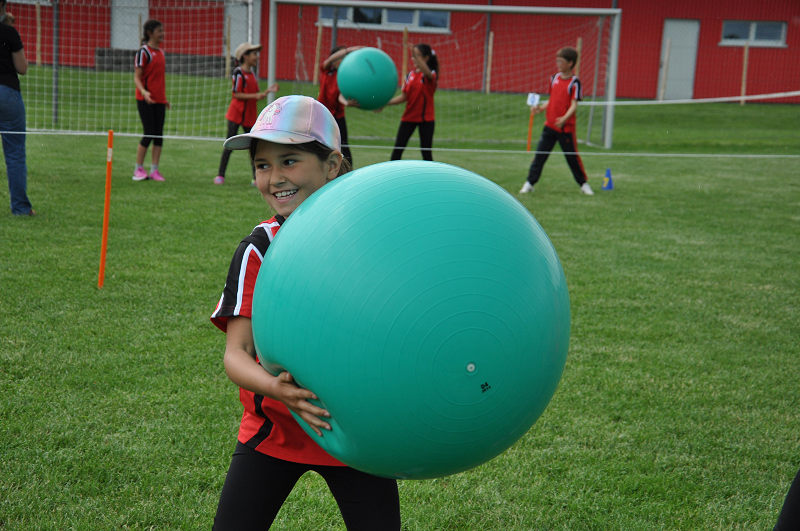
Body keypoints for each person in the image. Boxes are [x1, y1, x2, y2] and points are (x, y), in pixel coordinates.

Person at [209, 95, 401, 530]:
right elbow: (236, 355)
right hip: (274, 430)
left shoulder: (368, 242)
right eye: (262, 165)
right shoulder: (259, 249)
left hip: (356, 432)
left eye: (290, 161)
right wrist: (278, 390)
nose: (275, 177)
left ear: (331, 165)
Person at [520, 47, 594, 196]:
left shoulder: (575, 82)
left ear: (570, 63)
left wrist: (564, 119)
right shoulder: (554, 78)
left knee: (572, 158)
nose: (558, 64)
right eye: (557, 61)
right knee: (540, 155)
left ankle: (583, 184)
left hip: (565, 128)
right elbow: (553, 99)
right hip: (550, 126)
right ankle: (529, 183)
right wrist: (541, 108)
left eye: (561, 61)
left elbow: (574, 104)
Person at [214, 42, 278, 185]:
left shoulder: (252, 74)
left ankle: (256, 178)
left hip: (249, 116)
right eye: (254, 54)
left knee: (253, 148)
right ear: (245, 56)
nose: (257, 57)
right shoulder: (238, 72)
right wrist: (256, 96)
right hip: (236, 114)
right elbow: (236, 94)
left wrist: (267, 92)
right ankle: (220, 175)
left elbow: (255, 94)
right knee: (229, 145)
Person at [0, 0, 34, 216]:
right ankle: (21, 208)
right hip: (7, 92)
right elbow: (22, 68)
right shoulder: (9, 33)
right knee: (14, 153)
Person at [385, 43, 437, 161]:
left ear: (426, 58)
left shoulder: (430, 74)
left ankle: (430, 173)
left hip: (426, 120)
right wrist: (385, 103)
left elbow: (428, 73)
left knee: (426, 153)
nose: (414, 58)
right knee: (397, 151)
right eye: (413, 56)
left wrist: (414, 51)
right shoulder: (410, 75)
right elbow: (404, 97)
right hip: (409, 117)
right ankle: (393, 172)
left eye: (417, 56)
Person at [133, 19, 169, 182]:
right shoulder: (144, 52)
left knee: (158, 136)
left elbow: (159, 79)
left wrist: (164, 99)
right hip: (145, 100)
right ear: (150, 33)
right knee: (148, 133)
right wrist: (144, 92)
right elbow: (137, 77)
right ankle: (138, 169)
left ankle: (155, 170)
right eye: (159, 31)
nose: (162, 34)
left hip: (159, 101)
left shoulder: (161, 53)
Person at [317, 45, 362, 167]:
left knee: (344, 145)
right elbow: (330, 60)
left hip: (338, 115)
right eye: (341, 58)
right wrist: (349, 50)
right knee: (323, 144)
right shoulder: (326, 70)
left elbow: (340, 96)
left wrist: (347, 103)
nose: (343, 61)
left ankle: (349, 170)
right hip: (324, 114)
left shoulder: (344, 75)